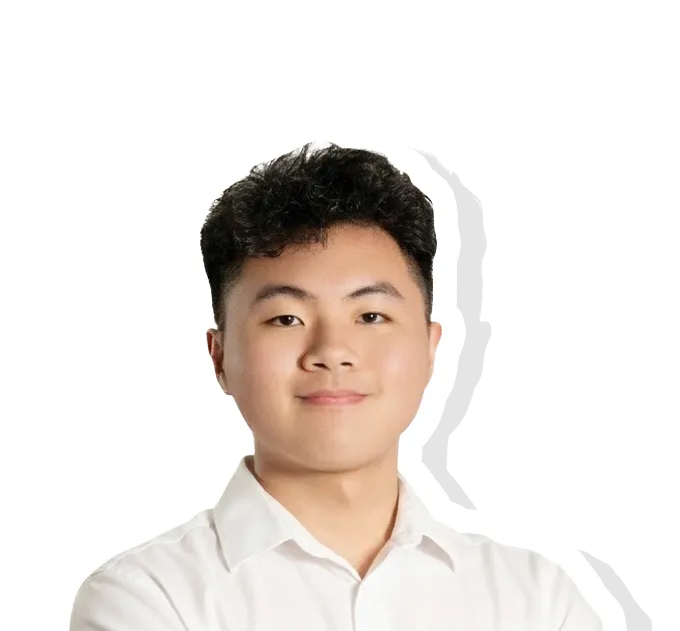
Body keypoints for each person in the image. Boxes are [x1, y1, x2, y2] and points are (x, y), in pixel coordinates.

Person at [70, 142, 602, 629]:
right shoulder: (146, 597)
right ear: (220, 356)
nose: (331, 351)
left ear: (429, 346)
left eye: (370, 316)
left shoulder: (539, 601)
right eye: (286, 318)